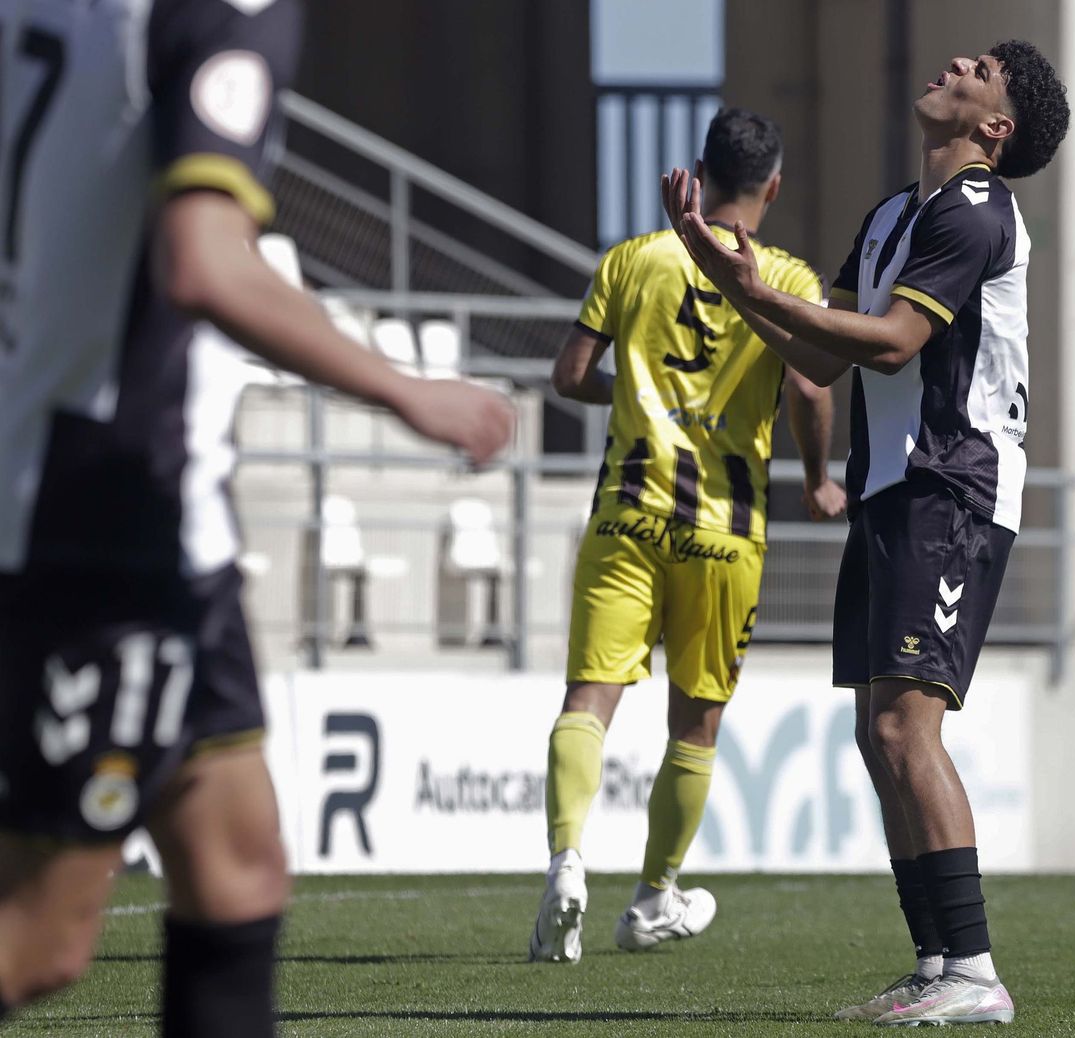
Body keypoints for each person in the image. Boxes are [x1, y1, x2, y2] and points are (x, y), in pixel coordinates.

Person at [0, 1, 516, 1034]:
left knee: (236, 871)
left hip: (163, 526)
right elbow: (205, 259)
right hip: (108, 518)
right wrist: (408, 389)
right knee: (42, 940)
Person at [664, 40, 1068, 1026]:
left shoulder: (978, 213)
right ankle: (936, 965)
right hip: (889, 487)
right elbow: (819, 359)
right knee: (874, 732)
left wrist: (756, 288)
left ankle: (976, 974)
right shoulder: (893, 214)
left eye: (982, 70)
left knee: (905, 726)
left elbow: (892, 342)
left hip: (953, 484)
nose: (959, 60)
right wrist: (729, 280)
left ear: (994, 129)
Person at [528, 107, 845, 964]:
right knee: (693, 725)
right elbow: (814, 387)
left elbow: (570, 377)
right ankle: (652, 898)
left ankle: (565, 863)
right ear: (772, 186)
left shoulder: (634, 260)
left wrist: (638, 398)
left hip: (626, 512)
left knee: (588, 698)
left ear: (697, 172)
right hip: (725, 531)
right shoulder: (787, 278)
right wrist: (818, 479)